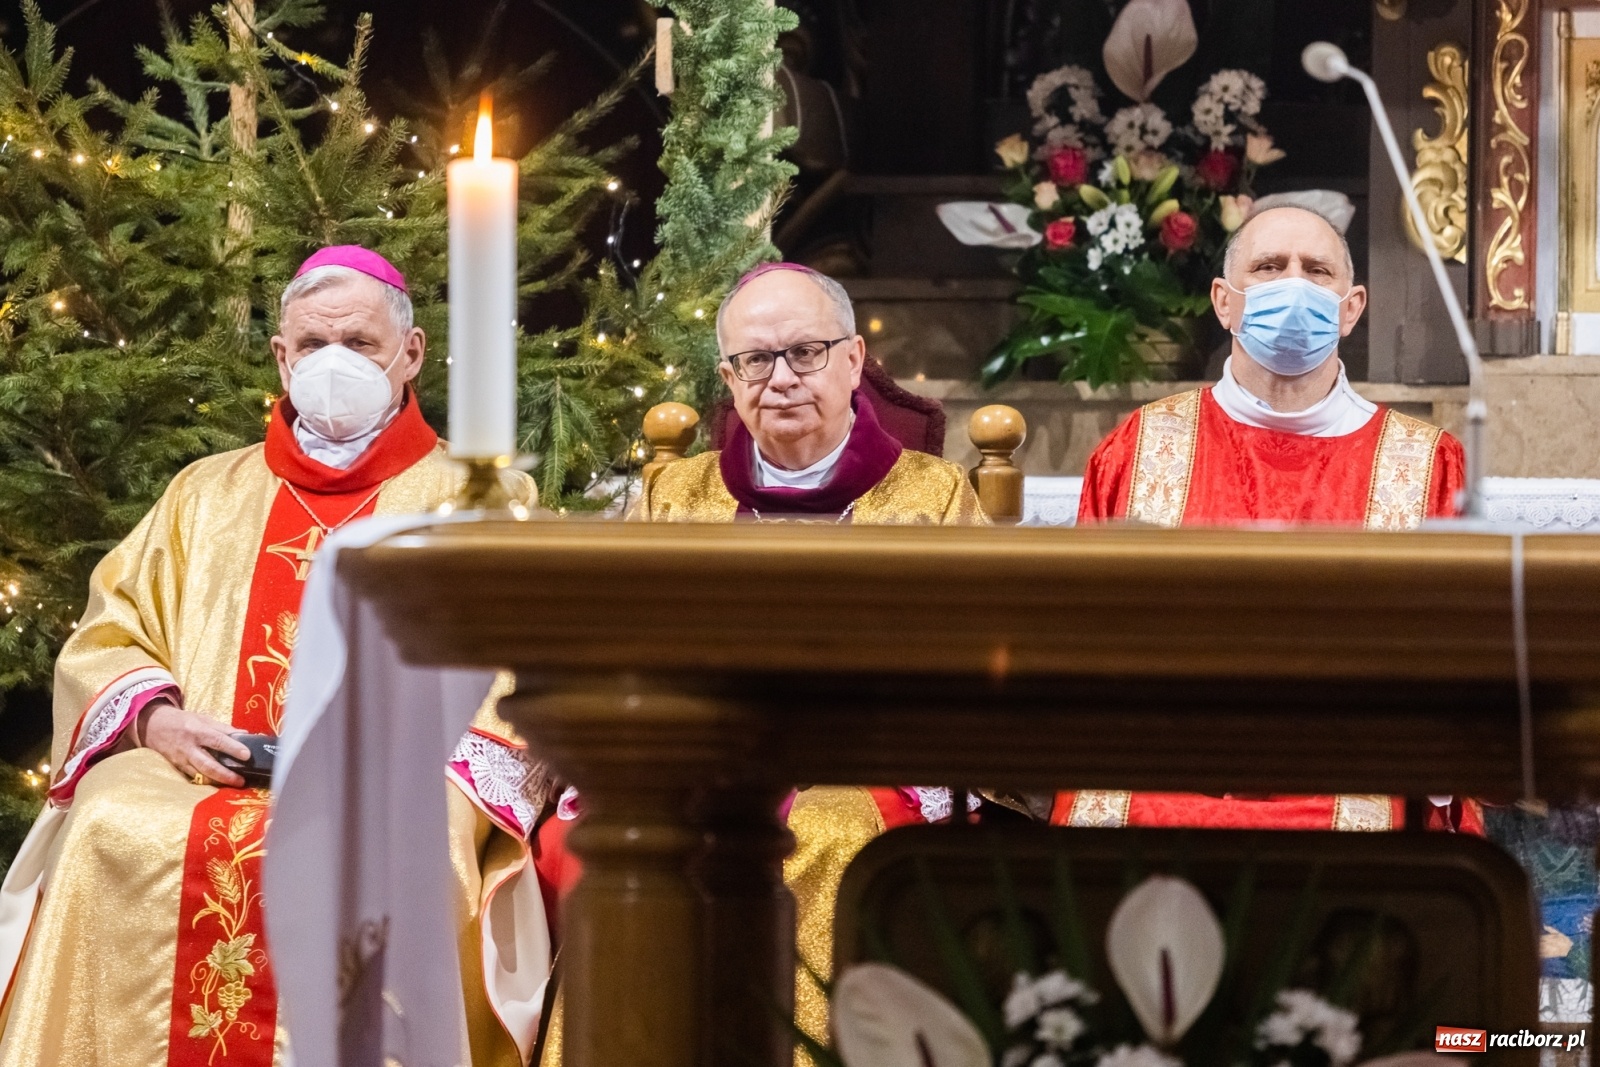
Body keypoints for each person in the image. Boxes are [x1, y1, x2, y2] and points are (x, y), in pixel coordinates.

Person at [0, 247, 548, 1067]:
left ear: (412, 353)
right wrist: (157, 721)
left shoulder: (477, 504)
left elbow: (516, 665)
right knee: (111, 818)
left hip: (395, 776)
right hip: (204, 762)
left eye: (359, 343)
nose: (334, 363)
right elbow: (112, 627)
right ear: (282, 357)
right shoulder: (203, 492)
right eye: (313, 344)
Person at [533, 262, 990, 1056]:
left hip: (862, 768)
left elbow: (971, 657)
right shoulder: (676, 494)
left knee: (824, 836)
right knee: (636, 847)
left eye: (805, 353)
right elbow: (619, 641)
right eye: (755, 360)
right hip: (695, 764)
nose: (780, 378)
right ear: (728, 378)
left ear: (853, 362)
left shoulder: (934, 495)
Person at [1060, 204, 1480, 834]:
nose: (1293, 286)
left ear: (1352, 307)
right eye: (1268, 267)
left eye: (1316, 271)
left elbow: (1460, 668)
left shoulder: (1426, 464)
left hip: (1352, 780)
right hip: (1157, 778)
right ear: (1223, 304)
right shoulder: (1140, 447)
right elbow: (1079, 647)